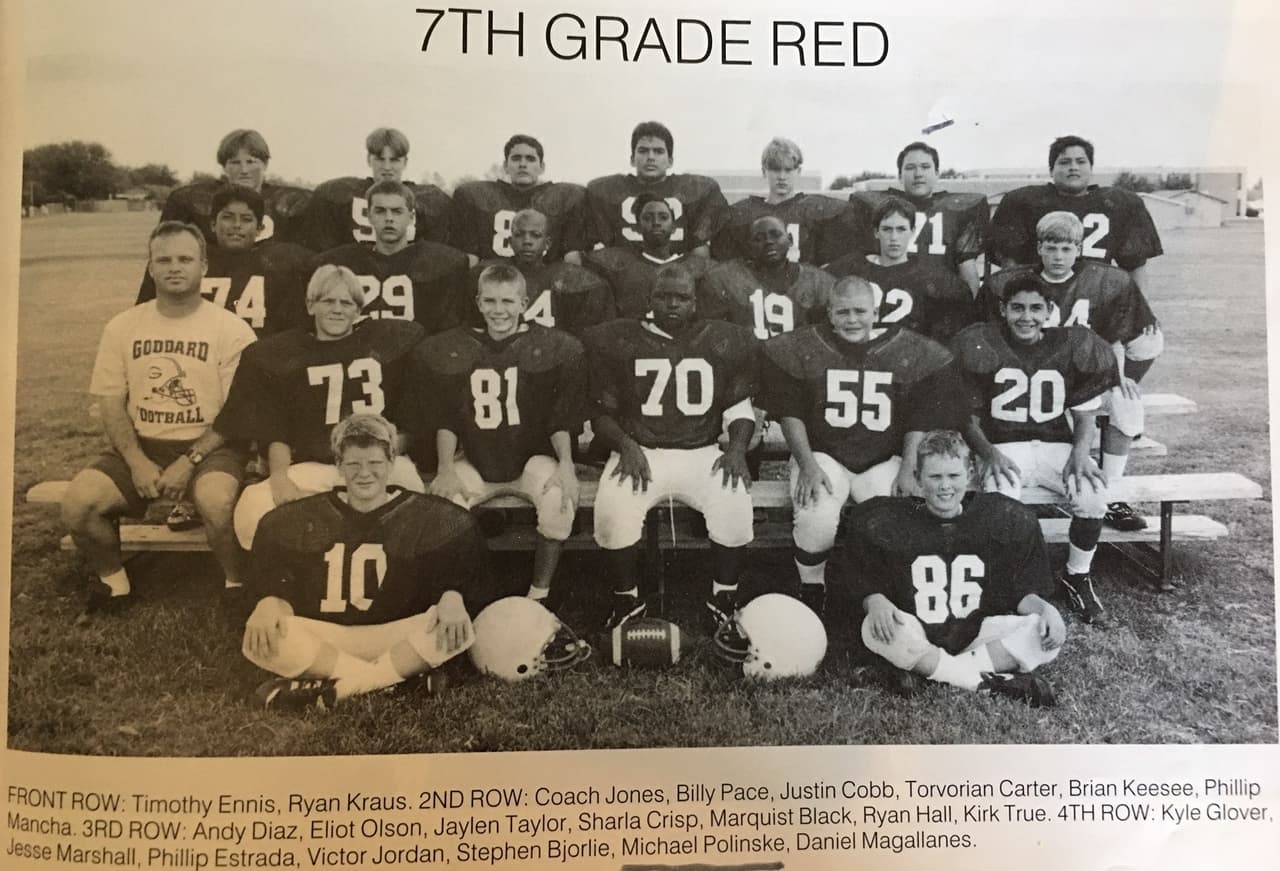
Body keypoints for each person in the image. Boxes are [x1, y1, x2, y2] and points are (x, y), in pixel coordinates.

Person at [60, 222, 257, 612]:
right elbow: (111, 401)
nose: (174, 267)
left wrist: (190, 461)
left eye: (185, 259)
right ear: (150, 268)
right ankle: (115, 584)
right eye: (163, 259)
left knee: (217, 501)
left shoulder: (231, 329)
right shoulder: (123, 326)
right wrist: (135, 461)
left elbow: (238, 413)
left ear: (204, 265)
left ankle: (237, 585)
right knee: (78, 504)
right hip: (144, 443)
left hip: (211, 447)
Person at [242, 413, 483, 711]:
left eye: (375, 464)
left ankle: (337, 688)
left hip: (397, 634)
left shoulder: (430, 518)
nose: (364, 473)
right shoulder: (299, 518)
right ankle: (392, 681)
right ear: (339, 466)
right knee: (269, 635)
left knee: (454, 627)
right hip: (329, 637)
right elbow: (282, 590)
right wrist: (269, 603)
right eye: (354, 464)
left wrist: (452, 597)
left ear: (392, 464)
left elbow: (459, 579)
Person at [760, 276, 966, 616]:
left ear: (875, 312)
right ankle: (812, 587)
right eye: (843, 312)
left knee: (898, 518)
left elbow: (919, 416)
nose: (852, 319)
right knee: (816, 515)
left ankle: (892, 591)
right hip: (824, 453)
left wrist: (907, 467)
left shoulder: (908, 350)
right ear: (829, 312)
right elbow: (789, 413)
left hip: (884, 457)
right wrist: (808, 466)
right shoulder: (806, 346)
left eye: (860, 311)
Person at [582, 264, 757, 631]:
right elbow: (601, 414)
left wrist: (737, 449)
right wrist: (626, 446)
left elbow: (738, 409)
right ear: (649, 300)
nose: (672, 304)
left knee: (734, 503)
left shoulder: (718, 340)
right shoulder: (622, 341)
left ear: (695, 303)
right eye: (663, 297)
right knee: (614, 511)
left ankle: (724, 595)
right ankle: (626, 600)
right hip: (642, 451)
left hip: (701, 451)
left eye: (681, 298)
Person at [847, 430, 1065, 707]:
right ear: (917, 479)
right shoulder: (887, 519)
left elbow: (1019, 591)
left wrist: (1047, 609)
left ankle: (933, 671)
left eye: (953, 476)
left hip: (976, 633)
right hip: (917, 631)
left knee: (1041, 632)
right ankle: (990, 685)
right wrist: (874, 601)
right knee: (875, 628)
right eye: (935, 477)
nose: (944, 486)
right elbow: (864, 579)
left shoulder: (998, 517)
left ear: (970, 476)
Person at [216, 264, 427, 550]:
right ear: (310, 305)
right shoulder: (287, 356)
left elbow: (409, 423)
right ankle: (288, 578)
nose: (337, 309)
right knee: (253, 507)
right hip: (314, 465)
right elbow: (277, 431)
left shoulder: (385, 347)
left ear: (358, 310)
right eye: (328, 301)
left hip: (374, 461)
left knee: (413, 490)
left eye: (346, 302)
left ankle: (397, 574)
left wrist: (384, 458)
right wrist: (279, 477)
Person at [977, 210, 1163, 532]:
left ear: (1079, 248)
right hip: (1038, 377)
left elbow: (1131, 339)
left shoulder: (1104, 281)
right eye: (1051, 247)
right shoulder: (1019, 286)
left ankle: (1113, 493)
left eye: (1066, 248)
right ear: (1039, 248)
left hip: (1083, 377)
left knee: (1127, 403)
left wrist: (1122, 376)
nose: (1058, 256)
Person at [952, 275, 1120, 626]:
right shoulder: (982, 343)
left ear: (1049, 311)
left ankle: (1077, 577)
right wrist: (988, 454)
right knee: (1002, 502)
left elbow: (1085, 411)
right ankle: (1009, 585)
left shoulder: (1071, 344)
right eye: (1017, 308)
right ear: (1003, 309)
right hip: (1003, 446)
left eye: (1035, 308)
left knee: (1093, 494)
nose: (1025, 317)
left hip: (1055, 445)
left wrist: (1079, 453)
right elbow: (964, 415)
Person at [415, 264, 587, 603]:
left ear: (525, 303)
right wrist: (446, 467)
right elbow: (447, 419)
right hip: (476, 458)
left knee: (559, 501)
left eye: (508, 302)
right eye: (490, 301)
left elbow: (559, 420)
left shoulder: (550, 346)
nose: (499, 310)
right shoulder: (458, 347)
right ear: (478, 302)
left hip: (529, 461)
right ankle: (457, 596)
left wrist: (566, 464)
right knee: (442, 509)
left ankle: (539, 594)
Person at [988, 134, 1164, 293]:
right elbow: (1010, 267)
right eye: (1064, 162)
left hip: (1097, 296)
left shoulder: (1120, 203)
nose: (1073, 168)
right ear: (1051, 170)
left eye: (1080, 162)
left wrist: (1141, 313)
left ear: (1091, 168)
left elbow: (1135, 267)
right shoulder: (1023, 202)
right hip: (1039, 296)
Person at [137, 185, 313, 335]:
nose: (236, 225)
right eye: (227, 217)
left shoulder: (279, 263)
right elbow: (147, 314)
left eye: (246, 219)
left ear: (260, 229)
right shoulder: (189, 260)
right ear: (213, 224)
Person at [315, 180, 471, 332]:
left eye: (397, 211)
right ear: (368, 216)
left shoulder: (440, 262)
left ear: (411, 217)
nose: (389, 218)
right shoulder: (343, 261)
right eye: (380, 211)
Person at [826, 195, 978, 343]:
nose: (894, 237)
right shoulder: (847, 268)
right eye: (887, 229)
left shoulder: (933, 277)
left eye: (901, 229)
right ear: (876, 232)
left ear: (912, 232)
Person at [846, 141, 989, 294]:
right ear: (900, 175)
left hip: (939, 298)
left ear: (937, 174)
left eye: (925, 167)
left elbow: (967, 270)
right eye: (910, 167)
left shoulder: (957, 210)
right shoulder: (879, 207)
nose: (918, 174)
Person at [584, 121, 728, 257]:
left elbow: (700, 250)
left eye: (658, 151)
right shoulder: (608, 190)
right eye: (643, 151)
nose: (650, 157)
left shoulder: (693, 189)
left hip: (677, 272)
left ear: (670, 160)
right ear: (632, 159)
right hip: (624, 275)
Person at [303, 127, 455, 251]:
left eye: (394, 160)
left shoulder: (429, 197)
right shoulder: (338, 192)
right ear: (369, 160)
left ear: (405, 162)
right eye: (380, 159)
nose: (387, 167)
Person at [469, 209, 615, 337]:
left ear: (547, 243)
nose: (527, 241)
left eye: (535, 235)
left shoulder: (569, 276)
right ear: (510, 241)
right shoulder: (487, 274)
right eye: (519, 234)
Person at [711, 137, 854, 266]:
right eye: (775, 170)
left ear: (798, 171)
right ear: (764, 171)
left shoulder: (815, 209)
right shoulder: (743, 212)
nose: (782, 176)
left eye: (788, 170)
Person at [158, 129, 311, 248]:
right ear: (224, 167)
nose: (244, 170)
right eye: (235, 163)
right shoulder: (192, 199)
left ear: (265, 165)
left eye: (251, 162)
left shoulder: (291, 201)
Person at [451, 134, 587, 262]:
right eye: (516, 158)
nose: (523, 164)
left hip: (546, 278)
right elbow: (469, 257)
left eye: (530, 159)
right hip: (494, 279)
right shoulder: (475, 195)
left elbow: (572, 259)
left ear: (541, 167)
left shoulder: (566, 197)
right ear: (505, 166)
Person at [699, 215, 834, 340]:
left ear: (790, 240)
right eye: (758, 238)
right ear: (749, 247)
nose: (768, 241)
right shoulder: (725, 277)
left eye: (775, 235)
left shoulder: (817, 280)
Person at [580, 192, 714, 318]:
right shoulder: (620, 266)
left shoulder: (696, 267)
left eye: (663, 217)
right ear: (637, 227)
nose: (656, 223)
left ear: (673, 227)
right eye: (647, 218)